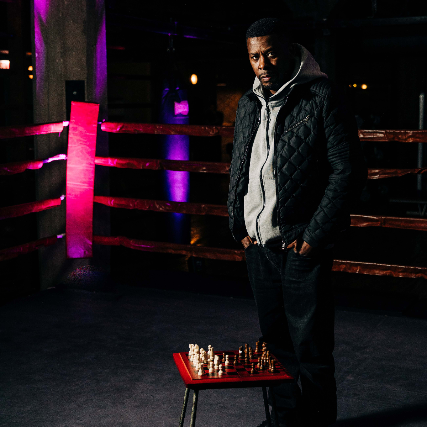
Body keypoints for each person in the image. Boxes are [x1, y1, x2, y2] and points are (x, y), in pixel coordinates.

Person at [227, 18, 367, 427]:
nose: (263, 64)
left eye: (270, 53)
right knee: (275, 344)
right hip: (259, 245)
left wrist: (313, 236)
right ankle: (285, 420)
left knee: (311, 347)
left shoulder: (321, 95)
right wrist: (239, 224)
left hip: (300, 245)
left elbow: (348, 171)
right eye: (254, 56)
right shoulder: (248, 103)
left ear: (289, 50)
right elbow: (240, 165)